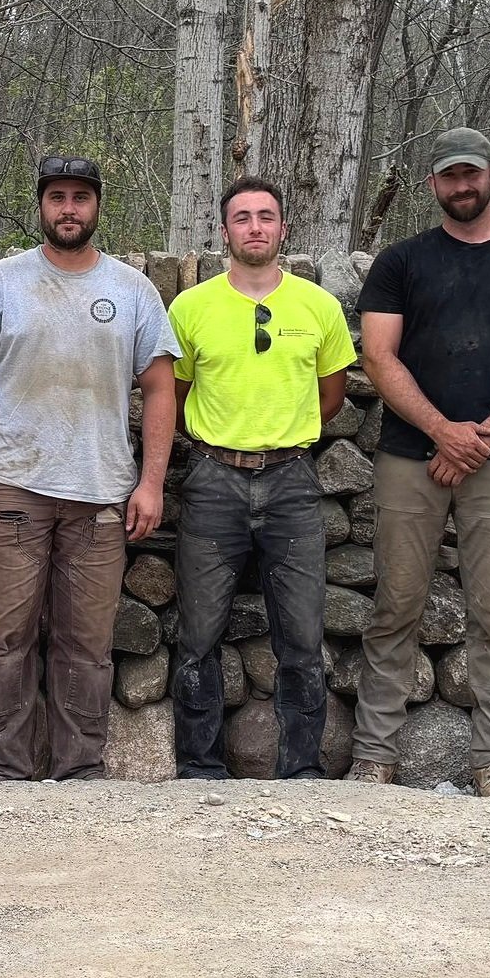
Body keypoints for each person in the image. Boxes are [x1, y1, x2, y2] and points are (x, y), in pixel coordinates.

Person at [0, 153, 176, 781]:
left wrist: (150, 483)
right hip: (13, 489)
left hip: (101, 493)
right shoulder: (3, 283)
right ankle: (6, 770)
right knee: (9, 639)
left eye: (80, 198)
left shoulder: (132, 290)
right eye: (57, 197)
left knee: (86, 644)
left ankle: (80, 770)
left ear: (97, 206)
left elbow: (158, 388)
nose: (69, 209)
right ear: (41, 205)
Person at [350, 129, 490, 797]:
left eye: (471, 173)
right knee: (395, 605)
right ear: (433, 185)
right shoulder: (401, 262)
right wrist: (441, 432)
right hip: (408, 455)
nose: (462, 186)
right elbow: (378, 357)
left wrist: (477, 440)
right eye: (450, 176)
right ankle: (373, 756)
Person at [165, 177, 355, 779]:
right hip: (213, 479)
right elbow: (174, 394)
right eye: (242, 217)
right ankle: (200, 767)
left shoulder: (317, 306)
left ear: (283, 229)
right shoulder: (191, 308)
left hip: (292, 480)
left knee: (301, 632)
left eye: (265, 217)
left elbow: (331, 395)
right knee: (199, 631)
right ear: (224, 231)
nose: (255, 227)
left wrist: (282, 434)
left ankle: (300, 769)